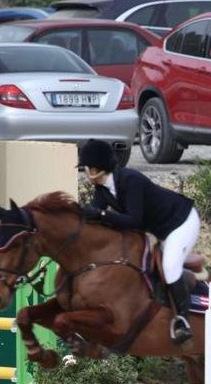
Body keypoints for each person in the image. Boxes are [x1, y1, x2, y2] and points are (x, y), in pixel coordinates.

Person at [77, 139, 199, 345]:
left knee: (169, 266)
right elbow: (93, 217)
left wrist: (101, 214)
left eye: (86, 168)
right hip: (158, 229)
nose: (85, 172)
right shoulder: (103, 190)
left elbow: (134, 220)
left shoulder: (131, 180)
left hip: (181, 222)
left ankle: (182, 320)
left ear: (97, 169)